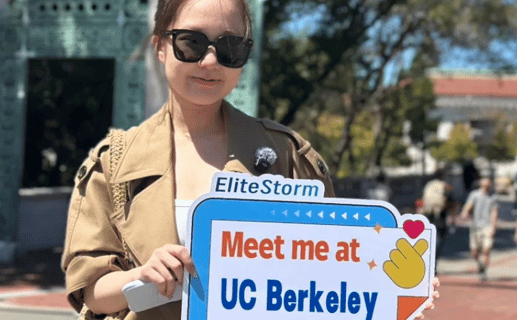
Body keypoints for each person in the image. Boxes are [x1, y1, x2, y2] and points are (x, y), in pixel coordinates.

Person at [59, 0, 438, 318]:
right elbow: (90, 289)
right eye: (191, 43)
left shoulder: (289, 154)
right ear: (160, 45)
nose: (210, 63)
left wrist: (396, 294)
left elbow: (328, 274)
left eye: (230, 49)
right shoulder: (114, 163)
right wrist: (142, 275)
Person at [459, 177, 499, 280]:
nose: (486, 188)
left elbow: (494, 212)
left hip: (487, 226)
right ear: (481, 185)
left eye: (488, 186)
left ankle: (484, 271)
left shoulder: (493, 197)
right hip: (475, 226)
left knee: (486, 250)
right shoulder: (474, 194)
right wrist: (464, 212)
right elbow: (469, 205)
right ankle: (480, 264)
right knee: (474, 252)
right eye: (484, 185)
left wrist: (493, 227)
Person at [421, 168, 455, 264]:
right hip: (440, 215)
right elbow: (451, 202)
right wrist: (452, 218)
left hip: (427, 214)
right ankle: (433, 261)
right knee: (438, 238)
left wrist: (419, 212)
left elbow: (420, 201)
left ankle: (427, 259)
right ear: (442, 176)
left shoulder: (428, 185)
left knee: (427, 237)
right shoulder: (446, 186)